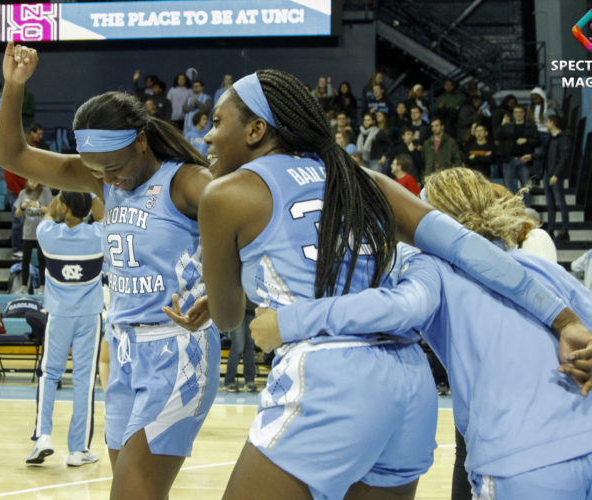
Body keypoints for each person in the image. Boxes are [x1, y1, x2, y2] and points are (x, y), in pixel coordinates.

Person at [198, 69, 592, 500]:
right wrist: (564, 318)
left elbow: (228, 315)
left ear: (256, 130)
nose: (207, 138)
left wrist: (226, 279)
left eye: (217, 123)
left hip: (329, 374)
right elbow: (470, 250)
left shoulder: (224, 194)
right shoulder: (362, 180)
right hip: (408, 381)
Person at [249, 167, 592, 500]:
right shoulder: (543, 269)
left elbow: (399, 308)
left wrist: (288, 321)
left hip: (523, 457)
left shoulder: (433, 265)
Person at [0, 42, 218, 500]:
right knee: (135, 488)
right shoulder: (102, 175)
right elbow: (13, 156)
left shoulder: (188, 182)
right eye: (97, 172)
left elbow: (252, 238)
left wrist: (218, 296)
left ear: (140, 141)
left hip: (177, 350)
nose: (107, 180)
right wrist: (14, 88)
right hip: (123, 350)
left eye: (113, 169)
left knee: (131, 492)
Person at [26, 191, 104, 468]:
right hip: (89, 315)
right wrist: (90, 192)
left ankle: (43, 437)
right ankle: (77, 449)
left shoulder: (48, 233)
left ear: (64, 206)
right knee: (84, 380)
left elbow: (48, 213)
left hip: (58, 314)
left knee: (49, 375)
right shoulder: (99, 236)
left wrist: (58, 201)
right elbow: (102, 212)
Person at [13, 179, 52, 294]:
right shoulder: (23, 193)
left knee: (42, 259)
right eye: (30, 181)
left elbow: (51, 210)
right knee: (25, 259)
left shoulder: (45, 192)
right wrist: (22, 207)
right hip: (28, 232)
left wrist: (38, 206)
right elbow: (17, 214)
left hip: (42, 232)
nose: (32, 183)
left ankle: (43, 285)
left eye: (35, 181)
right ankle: (24, 286)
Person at [543, 114, 572, 242]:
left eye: (548, 121)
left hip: (556, 175)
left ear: (552, 123)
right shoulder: (550, 139)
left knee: (560, 202)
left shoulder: (564, 139)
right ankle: (551, 228)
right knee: (550, 203)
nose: (546, 124)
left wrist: (556, 174)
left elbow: (563, 159)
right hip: (547, 173)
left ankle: (565, 229)